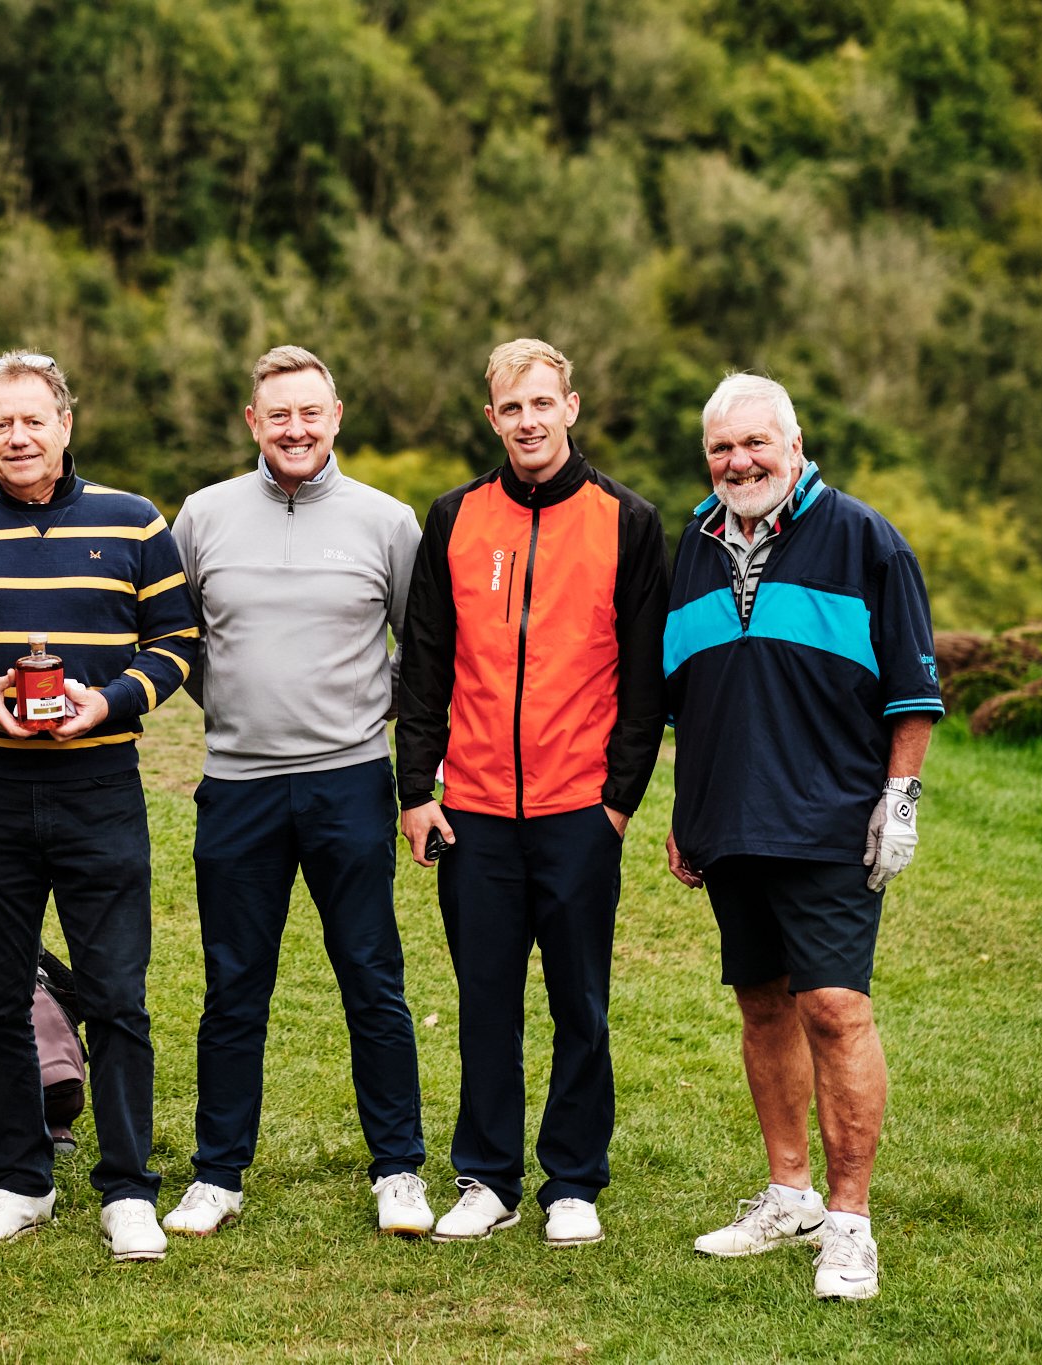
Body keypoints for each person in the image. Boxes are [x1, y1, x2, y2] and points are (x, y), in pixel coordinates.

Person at [0, 350, 200, 1262]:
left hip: (98, 786)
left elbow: (175, 639)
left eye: (34, 420)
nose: (17, 437)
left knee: (117, 995)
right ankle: (19, 1179)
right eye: (0, 423)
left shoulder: (135, 521)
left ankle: (128, 1187)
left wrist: (113, 700)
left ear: (65, 423)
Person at [665, 375, 942, 1301]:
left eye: (755, 443)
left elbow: (912, 683)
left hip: (829, 819)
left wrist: (898, 796)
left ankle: (851, 1221)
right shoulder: (695, 546)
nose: (738, 461)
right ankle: (789, 1196)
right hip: (730, 821)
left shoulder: (863, 536)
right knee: (763, 1007)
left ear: (794, 442)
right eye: (721, 447)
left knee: (834, 1007)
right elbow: (690, 696)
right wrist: (684, 809)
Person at [395, 338, 668, 1247]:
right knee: (485, 999)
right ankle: (486, 1176)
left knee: (579, 1002)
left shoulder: (627, 520)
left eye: (543, 403)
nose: (529, 421)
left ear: (572, 407)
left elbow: (644, 678)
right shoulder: (456, 516)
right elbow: (426, 665)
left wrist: (618, 800)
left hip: (578, 810)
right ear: (492, 418)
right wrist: (415, 788)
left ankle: (574, 1181)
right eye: (512, 409)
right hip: (471, 808)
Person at [163, 345, 432, 1239]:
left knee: (373, 979)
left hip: (350, 782)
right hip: (237, 786)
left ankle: (398, 1168)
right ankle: (217, 1173)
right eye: (278, 414)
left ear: (337, 414)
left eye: (310, 412)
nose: (295, 429)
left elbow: (419, 655)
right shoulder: (201, 517)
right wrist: (240, 703)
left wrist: (358, 716)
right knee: (235, 986)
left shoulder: (388, 522)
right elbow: (176, 640)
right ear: (252, 421)